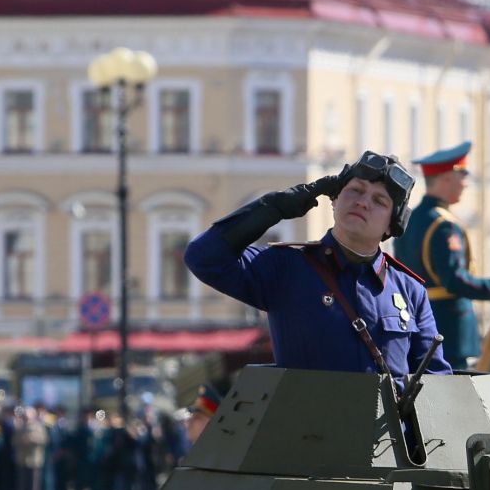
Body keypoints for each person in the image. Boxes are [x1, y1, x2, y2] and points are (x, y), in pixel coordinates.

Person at [185, 153, 447, 385]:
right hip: (307, 436)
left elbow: (436, 381)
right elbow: (203, 257)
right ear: (334, 200)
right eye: (355, 190)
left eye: (379, 200)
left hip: (387, 439)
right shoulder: (287, 268)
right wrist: (275, 207)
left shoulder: (410, 291)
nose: (363, 202)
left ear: (392, 225)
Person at [395, 142, 490, 368]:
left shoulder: (409, 220)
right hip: (448, 329)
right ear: (447, 178)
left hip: (414, 323)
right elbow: (455, 281)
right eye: (462, 175)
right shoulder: (444, 225)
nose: (466, 184)